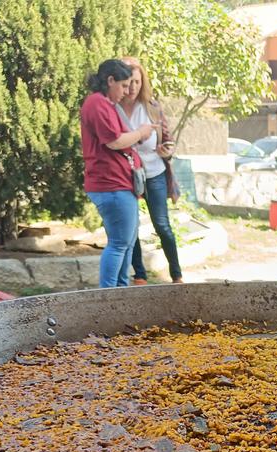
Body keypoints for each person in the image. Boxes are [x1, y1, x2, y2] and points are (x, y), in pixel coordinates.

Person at [80, 59, 157, 289]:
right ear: (110, 80)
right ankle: (108, 295)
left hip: (120, 183)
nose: (126, 92)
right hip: (110, 184)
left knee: (127, 242)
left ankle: (120, 292)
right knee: (119, 243)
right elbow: (114, 142)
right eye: (123, 86)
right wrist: (141, 132)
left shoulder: (105, 104)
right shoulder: (97, 103)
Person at [118, 56, 183, 285]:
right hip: (126, 175)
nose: (133, 87)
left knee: (162, 225)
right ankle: (140, 275)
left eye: (137, 81)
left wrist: (167, 150)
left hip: (154, 172)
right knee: (130, 226)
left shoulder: (152, 107)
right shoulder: (113, 108)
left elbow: (168, 139)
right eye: (128, 82)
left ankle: (176, 275)